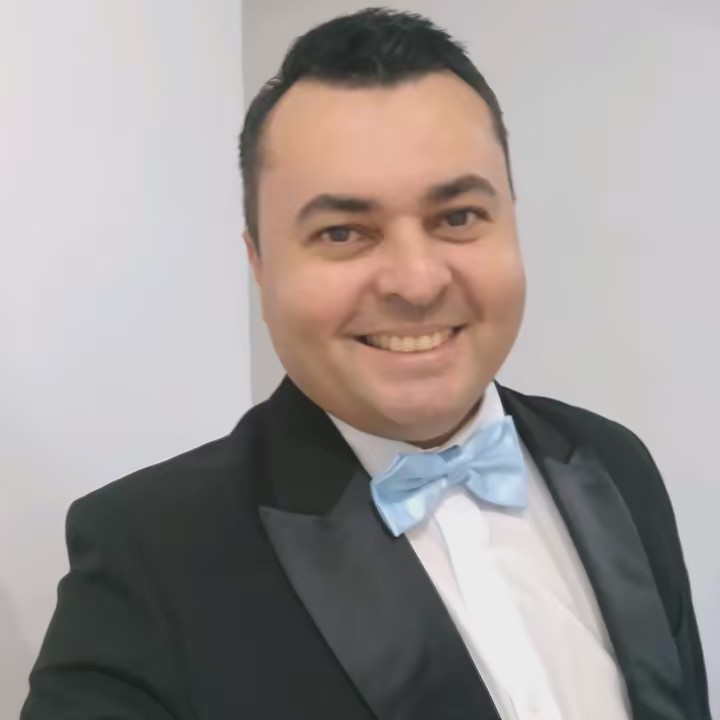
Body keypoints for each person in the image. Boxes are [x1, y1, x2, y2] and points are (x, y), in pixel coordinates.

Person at [21, 8, 710, 720]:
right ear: (259, 262)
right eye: (344, 232)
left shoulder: (614, 463)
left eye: (457, 217)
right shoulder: (149, 556)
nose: (416, 281)